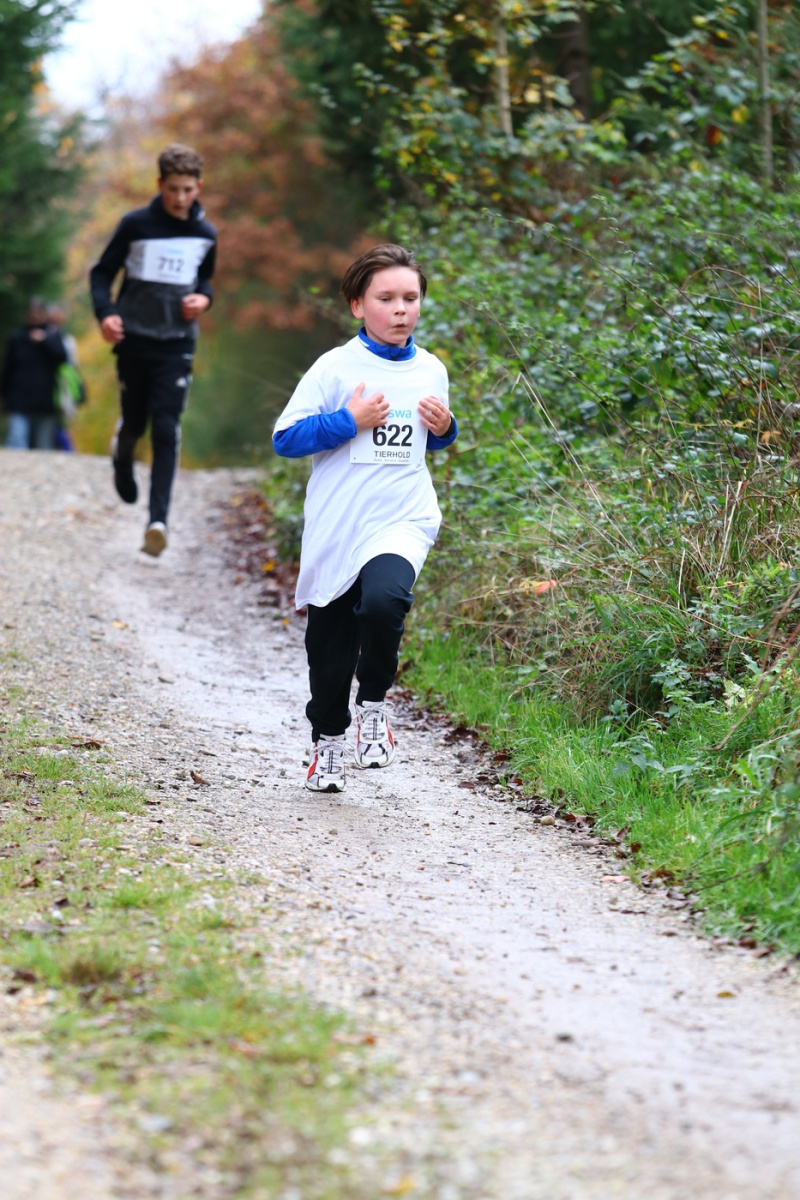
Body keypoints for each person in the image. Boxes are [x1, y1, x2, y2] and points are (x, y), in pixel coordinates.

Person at [273, 243, 458, 793]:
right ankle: (328, 742)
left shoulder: (431, 369)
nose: (401, 309)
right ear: (357, 305)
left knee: (384, 603)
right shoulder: (334, 368)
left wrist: (445, 427)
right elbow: (286, 438)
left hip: (402, 517)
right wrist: (347, 420)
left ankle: (374, 704)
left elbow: (430, 439)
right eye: (386, 298)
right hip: (339, 525)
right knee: (329, 656)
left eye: (411, 298)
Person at [89, 143, 216, 557]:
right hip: (135, 339)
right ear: (160, 184)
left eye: (188, 190)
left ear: (198, 187)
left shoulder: (205, 235)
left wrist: (203, 299)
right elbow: (101, 273)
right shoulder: (136, 225)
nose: (180, 198)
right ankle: (122, 457)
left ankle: (157, 521)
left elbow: (205, 281)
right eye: (173, 189)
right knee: (135, 422)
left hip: (176, 344)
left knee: (166, 426)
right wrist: (107, 314)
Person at [1, 297, 68, 450]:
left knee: (43, 448)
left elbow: (63, 359)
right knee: (16, 443)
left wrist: (45, 341)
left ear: (44, 314)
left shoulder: (53, 336)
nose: (35, 316)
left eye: (38, 312)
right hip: (19, 401)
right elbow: (8, 370)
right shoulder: (17, 338)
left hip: (45, 403)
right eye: (32, 312)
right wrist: (5, 397)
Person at [46, 302, 85, 451]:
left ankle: (67, 449)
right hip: (49, 385)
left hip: (65, 384)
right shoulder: (47, 334)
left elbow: (74, 365)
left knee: (64, 420)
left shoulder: (68, 339)